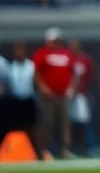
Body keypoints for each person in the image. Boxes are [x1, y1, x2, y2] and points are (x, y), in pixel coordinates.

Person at [32, 28, 75, 159]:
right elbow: (36, 73)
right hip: (47, 96)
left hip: (64, 94)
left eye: (58, 40)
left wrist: (71, 88)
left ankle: (65, 149)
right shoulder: (42, 53)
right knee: (46, 123)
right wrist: (43, 88)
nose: (56, 43)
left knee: (65, 123)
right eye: (53, 40)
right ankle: (43, 150)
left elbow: (73, 73)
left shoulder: (66, 54)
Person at [68, 38, 93, 157]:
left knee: (82, 121)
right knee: (69, 123)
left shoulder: (85, 59)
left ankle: (85, 147)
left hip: (81, 95)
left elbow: (88, 77)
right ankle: (70, 148)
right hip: (68, 94)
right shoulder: (68, 59)